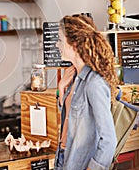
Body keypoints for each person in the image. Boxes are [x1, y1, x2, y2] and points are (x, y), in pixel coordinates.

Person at [54, 15, 118, 170]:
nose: (57, 44)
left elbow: (109, 139)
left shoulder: (94, 83)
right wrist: (61, 89)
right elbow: (72, 118)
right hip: (64, 159)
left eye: (60, 40)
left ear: (74, 44)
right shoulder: (74, 78)